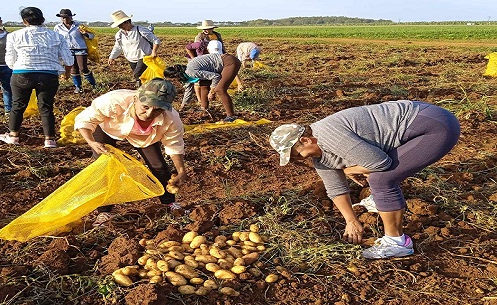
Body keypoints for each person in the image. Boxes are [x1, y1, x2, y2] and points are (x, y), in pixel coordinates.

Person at [269, 100, 460, 259]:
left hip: (434, 126)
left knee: (381, 179)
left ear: (305, 140)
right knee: (371, 169)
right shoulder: (319, 156)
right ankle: (381, 201)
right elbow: (335, 189)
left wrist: (348, 169)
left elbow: (381, 162)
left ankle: (397, 242)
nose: (295, 159)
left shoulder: (328, 136)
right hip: (421, 123)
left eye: (294, 153)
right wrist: (351, 221)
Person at [74, 78, 187, 226]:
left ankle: (169, 203)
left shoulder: (171, 118)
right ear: (136, 98)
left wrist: (181, 170)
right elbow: (86, 119)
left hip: (144, 136)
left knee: (158, 165)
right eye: (145, 106)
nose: (149, 113)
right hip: (108, 128)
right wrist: (91, 142)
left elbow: (174, 144)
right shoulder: (114, 101)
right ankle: (104, 212)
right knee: (105, 166)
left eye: (158, 109)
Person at [0, 7, 74, 148]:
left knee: (18, 106)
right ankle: (49, 140)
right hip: (49, 75)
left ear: (24, 21)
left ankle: (13, 136)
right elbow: (69, 61)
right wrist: (67, 74)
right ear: (42, 19)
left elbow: (9, 61)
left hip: (22, 74)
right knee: (46, 107)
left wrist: (20, 68)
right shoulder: (57, 36)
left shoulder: (14, 35)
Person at [166, 40, 243, 122]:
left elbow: (216, 76)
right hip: (220, 64)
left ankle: (231, 116)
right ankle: (204, 108)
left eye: (173, 79)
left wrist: (212, 92)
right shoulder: (187, 71)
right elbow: (189, 89)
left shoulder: (191, 71)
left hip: (229, 62)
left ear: (175, 75)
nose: (175, 81)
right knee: (204, 85)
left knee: (220, 89)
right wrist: (183, 105)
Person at [108, 10, 160, 88]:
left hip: (144, 57)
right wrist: (112, 57)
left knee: (137, 74)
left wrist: (154, 51)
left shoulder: (140, 30)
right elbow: (118, 46)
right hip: (131, 58)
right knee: (142, 76)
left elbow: (156, 40)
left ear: (126, 22)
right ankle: (148, 88)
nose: (119, 27)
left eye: (120, 25)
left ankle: (140, 90)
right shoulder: (119, 34)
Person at [54, 9, 96, 94]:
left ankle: (93, 84)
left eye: (66, 17)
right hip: (67, 50)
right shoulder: (58, 27)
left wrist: (85, 33)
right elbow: (55, 39)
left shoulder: (79, 26)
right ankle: (78, 87)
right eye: (62, 18)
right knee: (73, 69)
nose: (64, 19)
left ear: (71, 17)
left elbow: (92, 36)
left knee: (83, 68)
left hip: (80, 48)